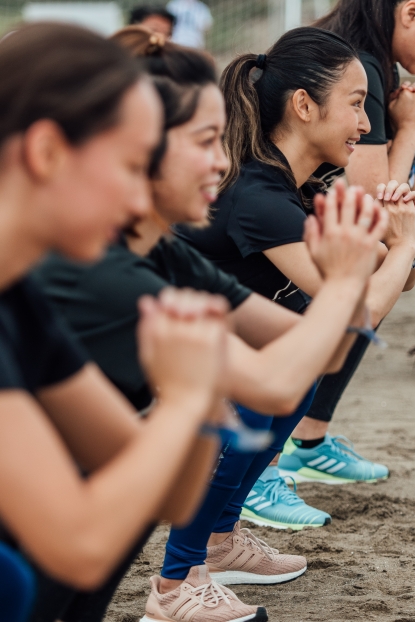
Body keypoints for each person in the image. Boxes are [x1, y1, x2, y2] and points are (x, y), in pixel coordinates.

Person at [35, 26, 389, 622]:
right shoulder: (99, 276)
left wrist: (351, 278)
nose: (225, 161)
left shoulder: (167, 256)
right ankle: (178, 586)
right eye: (204, 142)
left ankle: (192, 571)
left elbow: (300, 368)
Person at [0, 22, 249, 622]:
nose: (141, 203)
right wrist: (187, 398)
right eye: (133, 166)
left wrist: (194, 400)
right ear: (48, 152)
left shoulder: (17, 295)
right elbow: (80, 546)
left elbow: (167, 493)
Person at [176, 25, 415, 485]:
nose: (366, 125)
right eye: (356, 105)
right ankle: (228, 516)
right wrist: (405, 245)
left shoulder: (297, 186)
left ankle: (230, 523)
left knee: (308, 344)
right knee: (308, 342)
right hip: (150, 371)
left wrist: (406, 239)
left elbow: (393, 275)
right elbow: (362, 311)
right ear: (305, 106)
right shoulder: (258, 195)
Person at [270, 0, 415, 474]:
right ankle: (279, 455)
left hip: (287, 213)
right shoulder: (359, 65)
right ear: (412, 13)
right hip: (274, 220)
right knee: (367, 271)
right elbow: (375, 204)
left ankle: (305, 440)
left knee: (381, 266)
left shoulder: (363, 58)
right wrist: (410, 130)